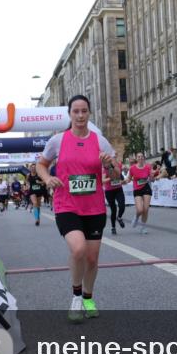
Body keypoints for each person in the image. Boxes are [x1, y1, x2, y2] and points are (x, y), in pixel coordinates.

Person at [37, 94, 121, 322]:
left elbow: (116, 175)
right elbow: (41, 164)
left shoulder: (100, 141)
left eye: (84, 111)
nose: (80, 115)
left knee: (92, 259)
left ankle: (88, 297)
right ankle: (75, 296)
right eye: (76, 111)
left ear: (89, 113)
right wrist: (47, 179)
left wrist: (109, 165)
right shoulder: (58, 141)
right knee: (78, 249)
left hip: (94, 207)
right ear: (70, 114)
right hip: (66, 205)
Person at [128, 152, 155, 235]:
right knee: (140, 210)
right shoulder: (132, 168)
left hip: (146, 188)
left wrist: (151, 177)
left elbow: (152, 179)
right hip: (137, 189)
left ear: (144, 158)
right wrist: (123, 181)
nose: (140, 158)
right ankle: (136, 217)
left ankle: (143, 227)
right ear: (136, 159)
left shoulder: (148, 167)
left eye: (141, 156)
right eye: (138, 157)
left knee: (146, 209)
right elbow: (129, 178)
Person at [103, 157, 128, 235]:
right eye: (105, 163)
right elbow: (103, 180)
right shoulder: (104, 170)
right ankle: (113, 227)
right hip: (109, 191)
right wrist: (110, 178)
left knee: (122, 205)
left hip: (118, 189)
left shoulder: (116, 167)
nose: (107, 164)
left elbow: (120, 176)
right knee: (113, 210)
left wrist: (123, 181)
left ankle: (119, 217)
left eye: (109, 162)